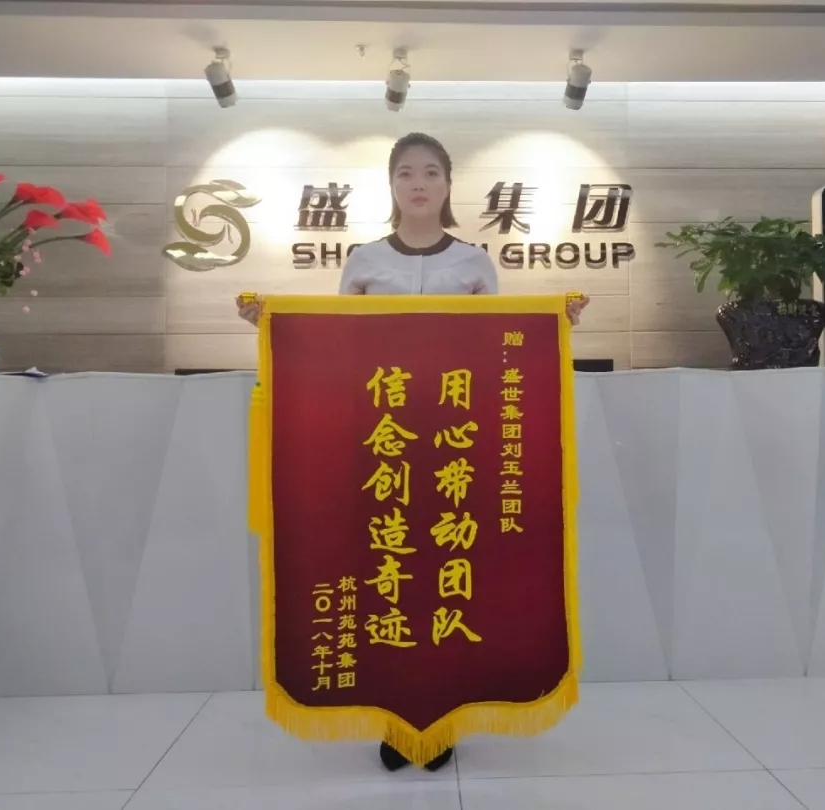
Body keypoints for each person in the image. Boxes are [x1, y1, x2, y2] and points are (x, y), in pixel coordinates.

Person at [236, 132, 589, 773]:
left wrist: (555, 323)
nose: (418, 183)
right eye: (405, 173)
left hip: (457, 448)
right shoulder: (365, 261)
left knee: (452, 577)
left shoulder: (474, 262)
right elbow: (336, 347)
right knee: (388, 575)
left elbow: (499, 345)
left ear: (448, 184)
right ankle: (394, 721)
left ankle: (445, 718)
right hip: (384, 447)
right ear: (392, 184)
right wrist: (274, 324)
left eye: (430, 172)